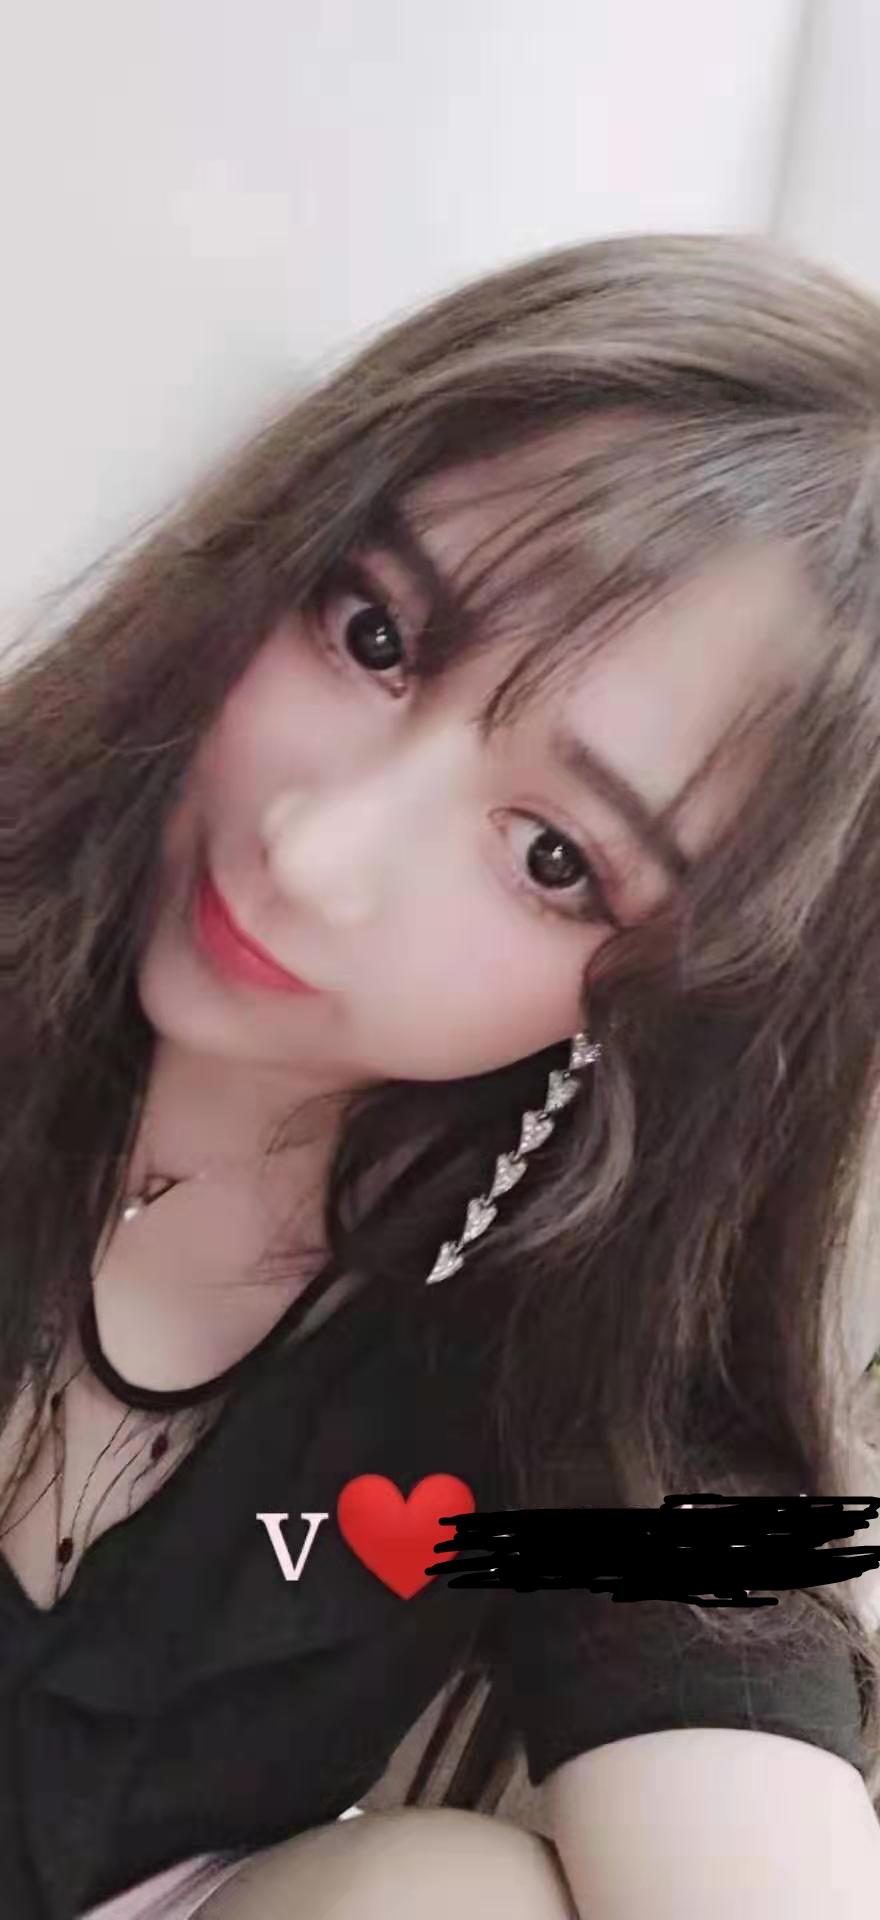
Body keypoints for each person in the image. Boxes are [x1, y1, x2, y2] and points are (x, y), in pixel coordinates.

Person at [2, 230, 880, 1920]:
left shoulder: (566, 1333)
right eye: (373, 633)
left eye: (555, 858)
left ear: (683, 1001)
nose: (316, 852)